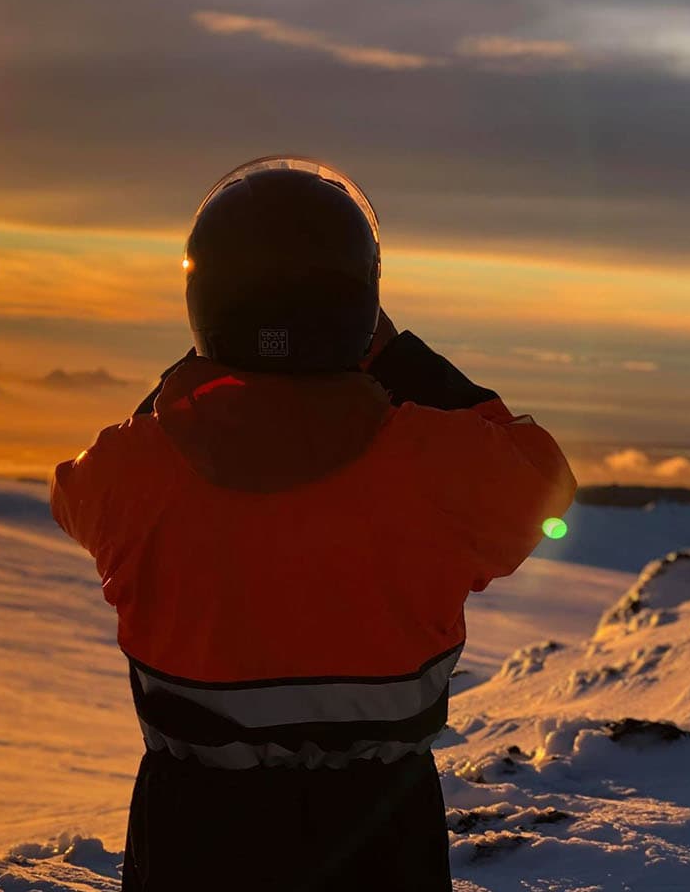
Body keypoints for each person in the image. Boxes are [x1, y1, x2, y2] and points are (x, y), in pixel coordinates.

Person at [50, 156, 577, 891]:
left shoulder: (132, 469)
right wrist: (402, 358)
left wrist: (200, 371)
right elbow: (547, 483)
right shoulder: (433, 462)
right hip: (380, 827)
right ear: (359, 304)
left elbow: (75, 490)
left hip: (192, 829)